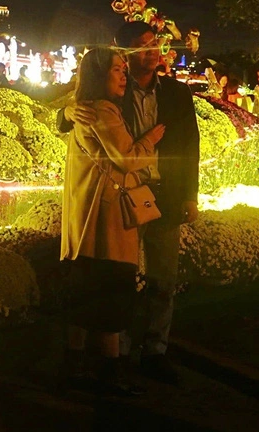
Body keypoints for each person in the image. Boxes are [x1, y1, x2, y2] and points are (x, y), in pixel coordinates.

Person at [60, 21, 200, 385]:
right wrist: (67, 113)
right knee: (119, 279)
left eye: (155, 44)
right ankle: (117, 353)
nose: (152, 52)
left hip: (163, 196)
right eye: (142, 47)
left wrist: (190, 194)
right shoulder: (112, 90)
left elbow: (189, 148)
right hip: (122, 202)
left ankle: (155, 351)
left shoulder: (175, 93)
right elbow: (76, 105)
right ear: (124, 53)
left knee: (162, 280)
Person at [60, 46, 164, 396]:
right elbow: (127, 157)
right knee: (111, 294)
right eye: (117, 70)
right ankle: (110, 375)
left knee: (86, 292)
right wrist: (151, 139)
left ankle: (75, 367)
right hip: (107, 218)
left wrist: (66, 109)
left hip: (87, 218)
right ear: (99, 75)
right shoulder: (103, 110)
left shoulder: (86, 108)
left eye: (124, 69)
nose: (124, 76)